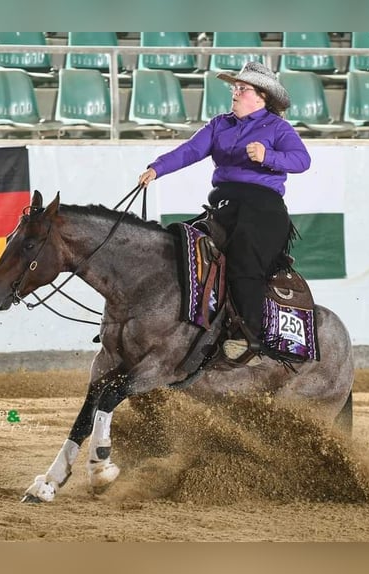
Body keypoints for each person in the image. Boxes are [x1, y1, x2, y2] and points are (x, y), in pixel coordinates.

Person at [138, 61, 311, 364]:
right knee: (179, 247)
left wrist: (267, 156)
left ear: (262, 97)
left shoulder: (277, 128)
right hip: (225, 208)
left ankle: (250, 339)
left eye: (242, 88)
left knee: (245, 261)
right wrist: (157, 168)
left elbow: (301, 160)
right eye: (235, 87)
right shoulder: (220, 124)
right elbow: (190, 150)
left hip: (263, 210)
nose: (235, 92)